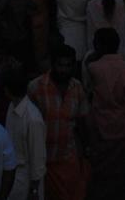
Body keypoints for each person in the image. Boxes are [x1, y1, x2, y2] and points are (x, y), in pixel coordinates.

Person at [27, 45, 89, 200]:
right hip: (43, 159)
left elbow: (82, 121)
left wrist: (85, 150)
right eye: (60, 65)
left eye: (68, 65)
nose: (63, 70)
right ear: (53, 64)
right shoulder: (35, 87)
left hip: (68, 157)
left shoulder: (77, 87)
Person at [85, 27, 125, 199]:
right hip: (122, 124)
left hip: (99, 125)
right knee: (119, 171)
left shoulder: (93, 67)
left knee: (101, 171)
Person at [4, 68, 47, 200]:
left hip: (27, 180)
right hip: (13, 176)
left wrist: (34, 190)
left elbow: (38, 158)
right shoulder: (12, 107)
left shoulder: (33, 119)